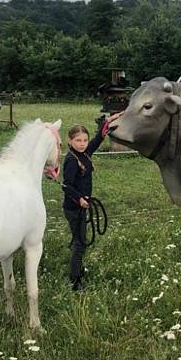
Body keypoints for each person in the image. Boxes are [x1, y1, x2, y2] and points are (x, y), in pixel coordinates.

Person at [62, 112, 122, 291]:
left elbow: (98, 139)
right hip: (74, 208)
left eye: (84, 140)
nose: (82, 144)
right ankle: (75, 280)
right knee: (80, 243)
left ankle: (77, 267)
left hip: (82, 206)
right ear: (70, 141)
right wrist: (79, 199)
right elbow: (66, 186)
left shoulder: (85, 154)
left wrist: (107, 122)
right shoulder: (71, 160)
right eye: (78, 140)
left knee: (79, 240)